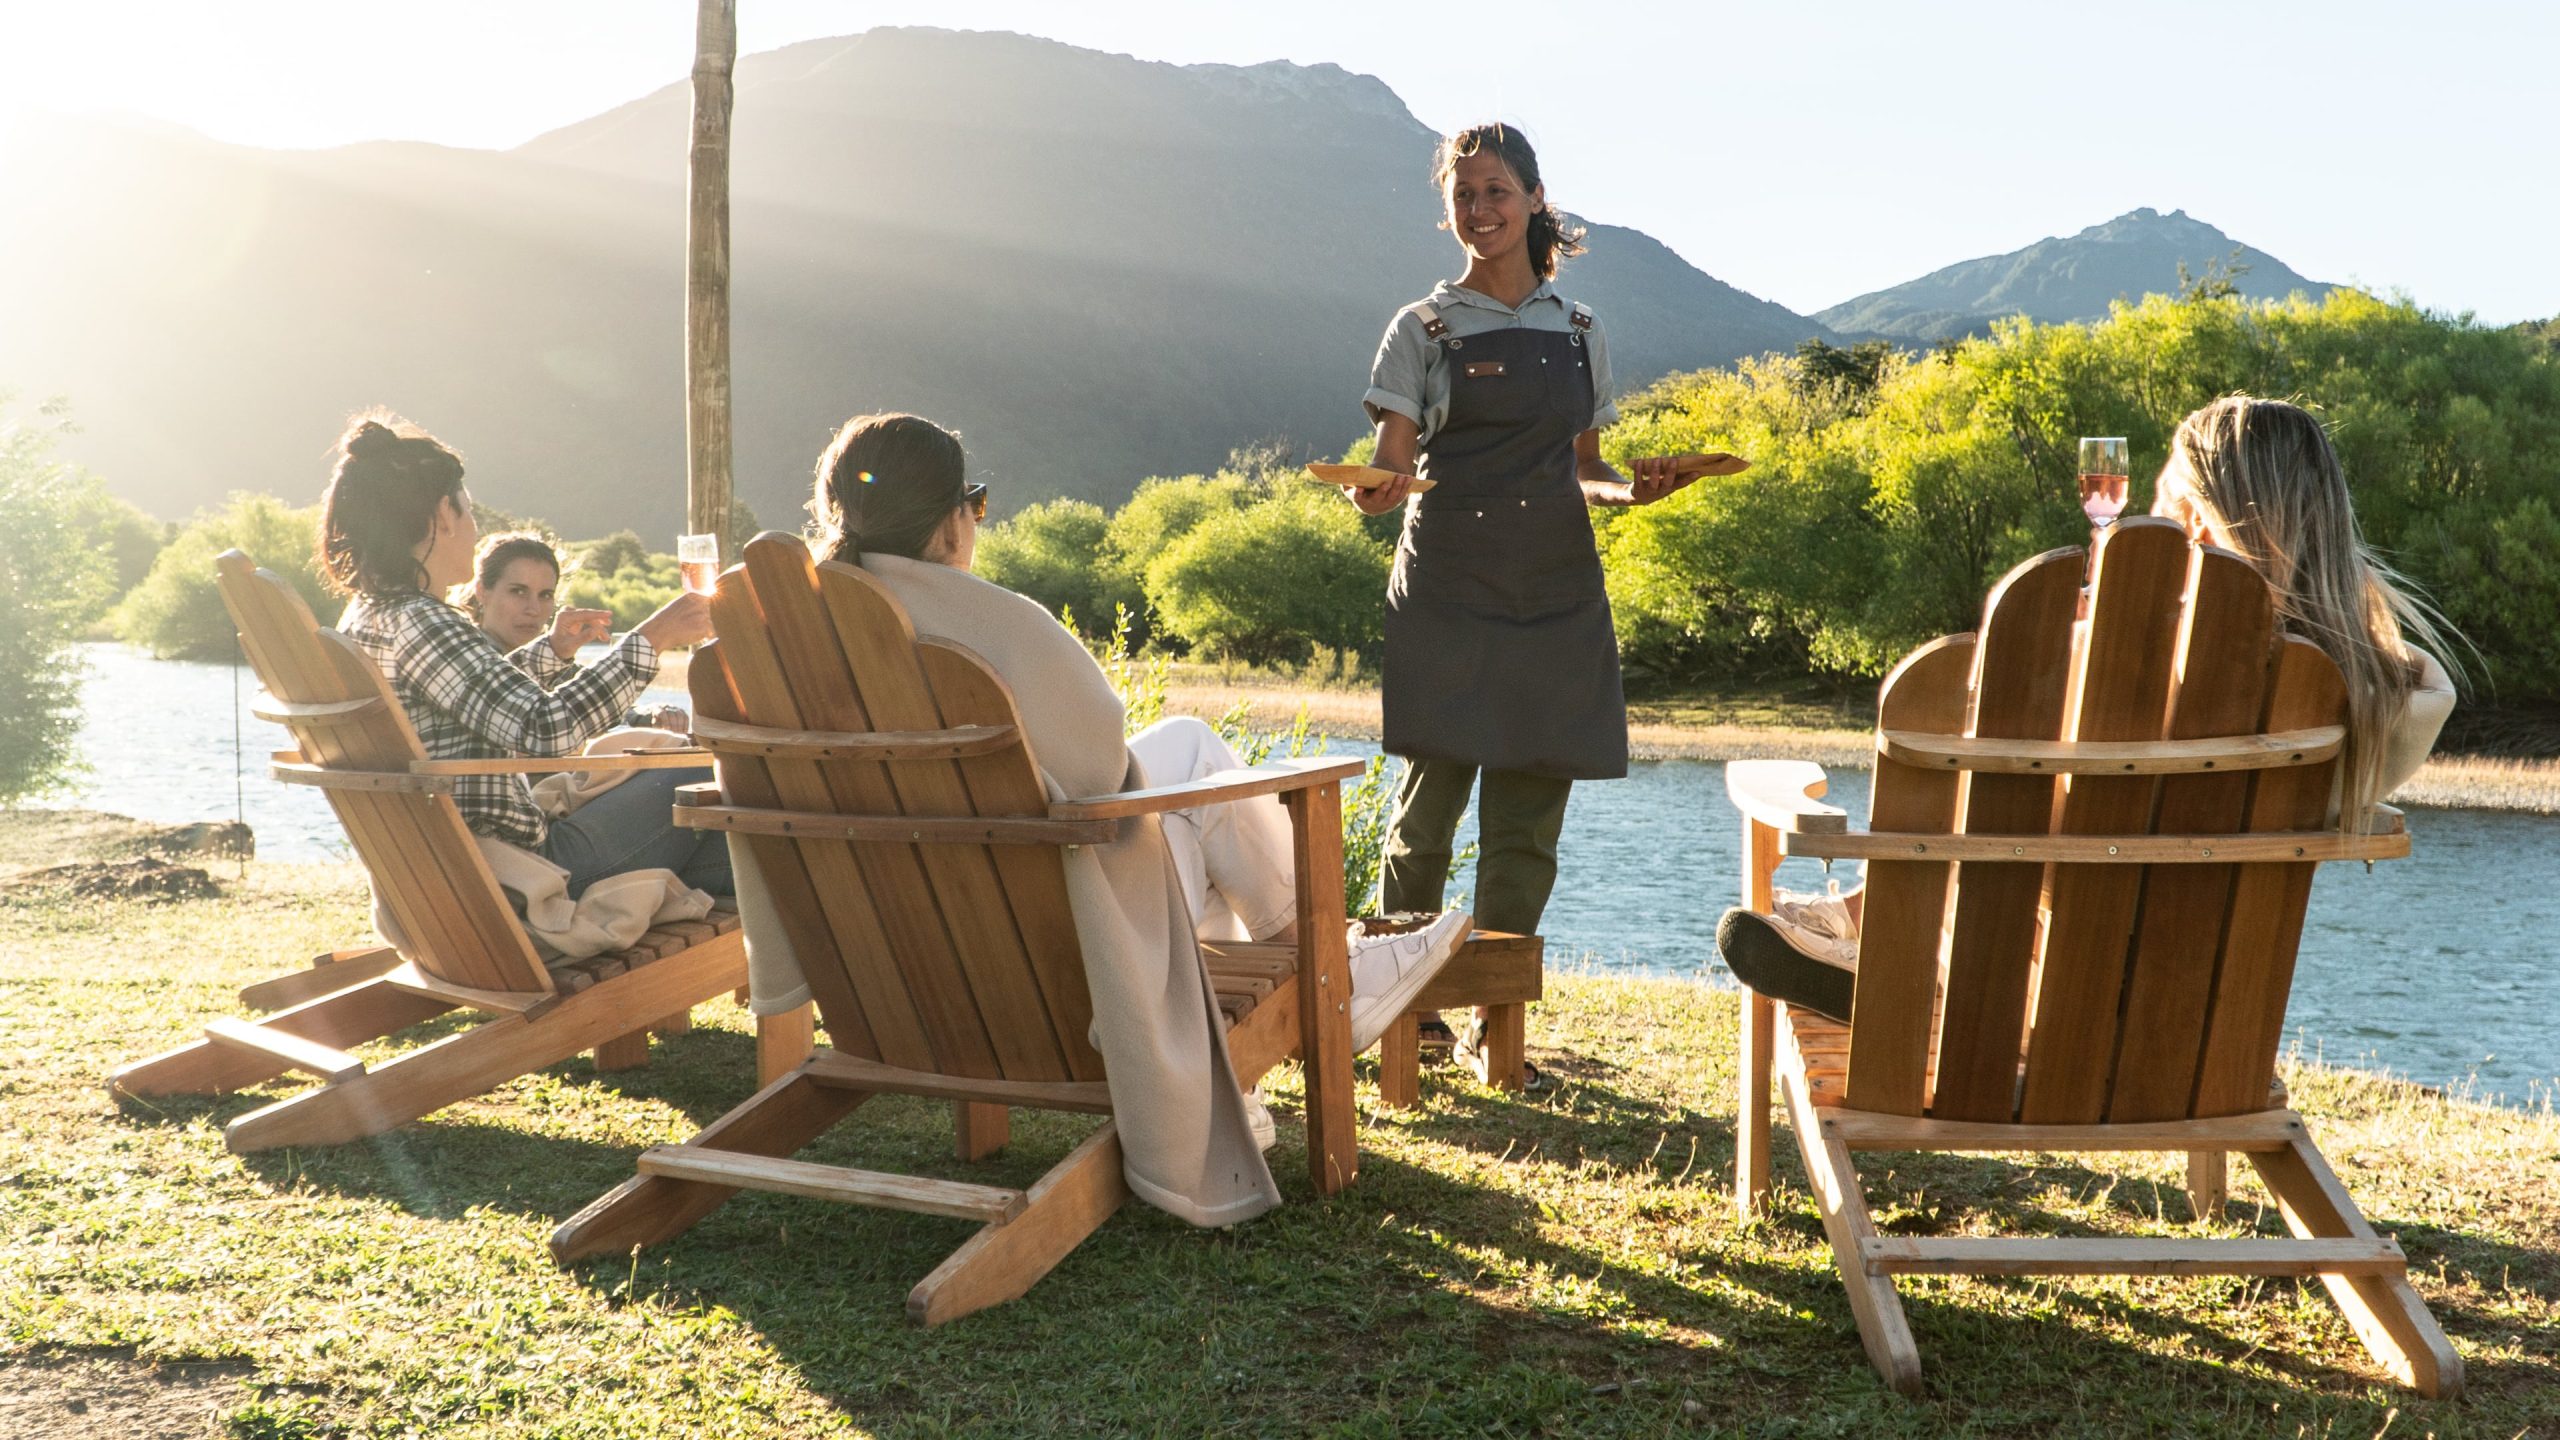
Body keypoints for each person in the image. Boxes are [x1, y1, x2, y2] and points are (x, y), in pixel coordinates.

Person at [732, 411, 1470, 1228]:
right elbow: (1100, 771)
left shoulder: (785, 645)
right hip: (1059, 978)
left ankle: (1323, 984)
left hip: (897, 968)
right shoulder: (996, 628)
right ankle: (1332, 970)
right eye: (974, 503)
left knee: (1185, 748)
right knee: (1171, 795)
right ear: (950, 522)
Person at [1719, 394, 2464, 1021]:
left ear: (2197, 528)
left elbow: (1974, 761)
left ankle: (1886, 952)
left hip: (2035, 997)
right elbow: (2417, 678)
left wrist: (2100, 627)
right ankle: (1861, 930)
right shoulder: (2369, 704)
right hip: (2199, 1030)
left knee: (1996, 799)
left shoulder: (2111, 672)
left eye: (2162, 509)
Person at [1349, 122, 1743, 1054]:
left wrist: (1634, 488)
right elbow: (1385, 468)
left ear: (1533, 198)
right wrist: (1374, 491)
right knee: (1425, 813)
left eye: (1495, 192)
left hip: (1557, 591)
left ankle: (1498, 1013)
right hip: (1447, 586)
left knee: (1529, 822)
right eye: (1463, 195)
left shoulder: (1580, 329)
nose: (1478, 211)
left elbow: (1584, 470)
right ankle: (1407, 1007)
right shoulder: (1422, 327)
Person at [316, 412, 730, 899]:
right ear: (442, 516)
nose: (474, 528)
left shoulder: (370, 616)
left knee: (721, 852)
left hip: (449, 873)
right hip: (520, 871)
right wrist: (654, 636)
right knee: (707, 767)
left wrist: (551, 652)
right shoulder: (424, 622)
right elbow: (543, 730)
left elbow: (470, 698)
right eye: (468, 512)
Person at [466, 532, 688, 732]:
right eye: (518, 591)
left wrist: (651, 716)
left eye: (545, 595)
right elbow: (503, 693)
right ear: (482, 591)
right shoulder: (464, 657)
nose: (533, 609)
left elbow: (606, 708)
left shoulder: (558, 665)